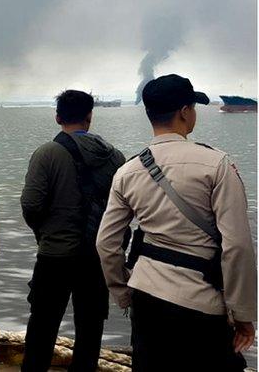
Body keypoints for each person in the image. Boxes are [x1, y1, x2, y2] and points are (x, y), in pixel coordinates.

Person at [97, 74, 257, 371]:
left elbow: (106, 244)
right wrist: (243, 314)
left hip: (146, 302)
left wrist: (123, 293)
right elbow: (236, 246)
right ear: (185, 112)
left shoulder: (127, 171)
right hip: (203, 305)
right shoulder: (217, 164)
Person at [19, 90, 125, 372]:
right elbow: (121, 211)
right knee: (90, 329)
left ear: (57, 117)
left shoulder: (47, 154)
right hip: (96, 257)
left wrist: (45, 233)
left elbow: (31, 204)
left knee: (42, 325)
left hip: (55, 255)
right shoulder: (115, 157)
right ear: (90, 117)